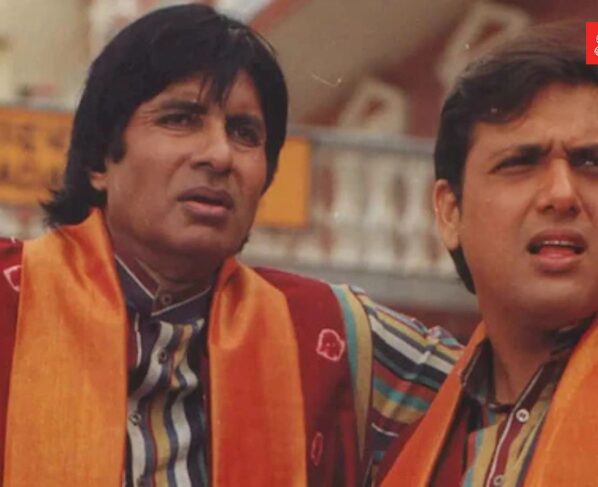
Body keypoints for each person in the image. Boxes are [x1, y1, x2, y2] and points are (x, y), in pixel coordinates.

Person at [0, 4, 460, 486]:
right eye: (181, 119)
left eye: (244, 133)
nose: (220, 155)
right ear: (100, 159)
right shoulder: (14, 301)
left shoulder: (333, 335)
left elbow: (491, 388)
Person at [380, 23, 598, 487]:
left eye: (591, 163)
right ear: (450, 212)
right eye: (520, 162)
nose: (562, 194)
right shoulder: (408, 434)